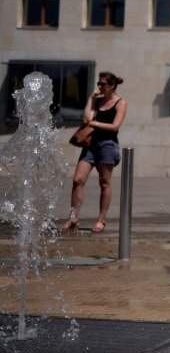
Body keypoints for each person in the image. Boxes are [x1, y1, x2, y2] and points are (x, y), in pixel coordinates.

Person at [61, 72, 127, 233]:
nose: (100, 87)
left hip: (107, 145)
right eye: (98, 84)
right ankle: (73, 218)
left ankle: (101, 220)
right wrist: (91, 99)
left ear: (112, 86)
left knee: (104, 182)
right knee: (78, 180)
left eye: (103, 84)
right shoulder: (96, 101)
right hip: (90, 144)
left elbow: (115, 126)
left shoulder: (120, 103)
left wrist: (95, 123)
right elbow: (86, 119)